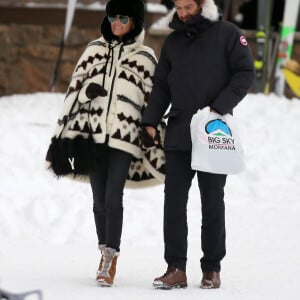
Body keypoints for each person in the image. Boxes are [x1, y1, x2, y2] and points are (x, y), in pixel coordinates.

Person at [46, 0, 165, 287]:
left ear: (135, 21)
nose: (116, 22)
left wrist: (151, 132)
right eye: (112, 16)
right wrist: (87, 92)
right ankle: (103, 250)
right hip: (93, 136)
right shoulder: (93, 50)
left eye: (123, 17)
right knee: (99, 201)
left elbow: (154, 99)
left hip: (125, 137)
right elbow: (73, 92)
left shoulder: (146, 56)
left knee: (114, 197)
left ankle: (110, 256)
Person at [140, 0, 255, 289]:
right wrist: (150, 121)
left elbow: (245, 73)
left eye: (188, 6)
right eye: (178, 7)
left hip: (213, 134)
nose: (182, 13)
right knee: (174, 202)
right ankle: (175, 267)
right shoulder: (174, 41)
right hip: (179, 131)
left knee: (212, 202)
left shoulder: (228, 33)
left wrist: (218, 108)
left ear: (204, 4)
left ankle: (211, 268)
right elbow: (162, 85)